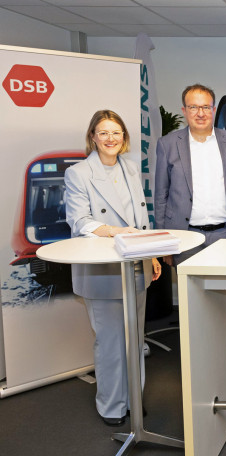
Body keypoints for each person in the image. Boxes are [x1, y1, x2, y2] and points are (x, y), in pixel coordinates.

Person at [154, 84, 226, 394]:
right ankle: (197, 364)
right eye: (193, 107)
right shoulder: (168, 144)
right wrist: (164, 243)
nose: (200, 113)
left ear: (213, 109)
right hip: (187, 238)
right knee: (192, 303)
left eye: (206, 106)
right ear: (184, 111)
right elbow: (161, 196)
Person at [65, 110, 162, 426]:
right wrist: (117, 232)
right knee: (110, 343)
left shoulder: (131, 168)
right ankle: (111, 406)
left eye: (116, 132)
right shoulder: (79, 173)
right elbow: (79, 221)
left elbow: (141, 221)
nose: (110, 138)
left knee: (135, 339)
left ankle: (133, 399)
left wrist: (152, 255)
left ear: (124, 137)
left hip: (136, 266)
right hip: (102, 270)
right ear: (92, 136)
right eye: (104, 132)